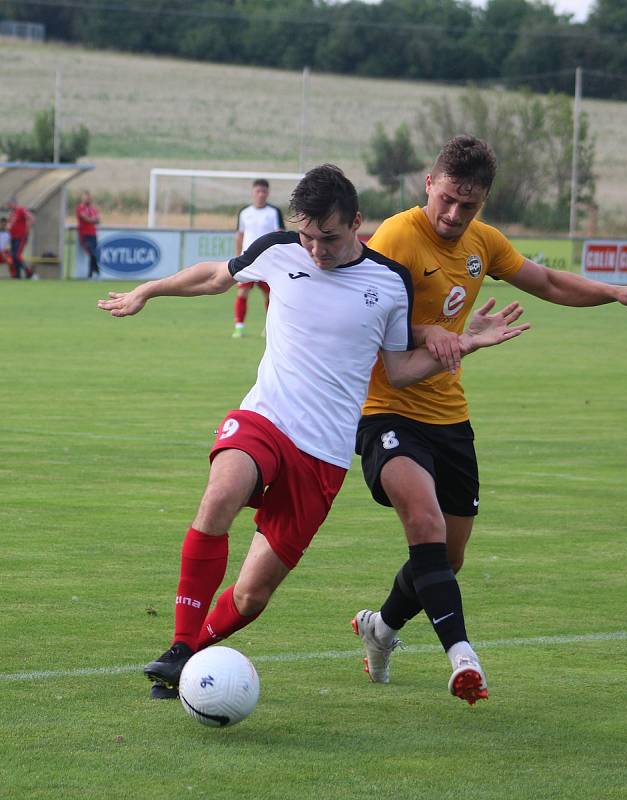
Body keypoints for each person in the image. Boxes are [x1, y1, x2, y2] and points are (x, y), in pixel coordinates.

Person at [96, 164, 530, 703]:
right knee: (220, 497)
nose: (315, 249)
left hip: (322, 456)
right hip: (265, 420)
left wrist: (459, 347)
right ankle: (182, 648)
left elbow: (398, 370)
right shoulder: (278, 249)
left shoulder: (389, 281)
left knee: (253, 595)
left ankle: (188, 663)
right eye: (306, 235)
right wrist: (149, 290)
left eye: (327, 237)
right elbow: (215, 276)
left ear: (356, 223)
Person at [351, 135, 627, 704]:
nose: (452, 215)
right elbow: (361, 316)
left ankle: (381, 629)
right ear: (429, 183)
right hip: (387, 409)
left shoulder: (484, 243)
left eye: (467, 206)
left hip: (449, 418)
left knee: (446, 558)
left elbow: (545, 282)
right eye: (446, 199)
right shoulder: (397, 238)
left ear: (483, 202)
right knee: (423, 525)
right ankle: (462, 656)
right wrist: (430, 332)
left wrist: (613, 291)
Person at [232, 178, 284, 338]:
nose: (261, 194)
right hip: (247, 261)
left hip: (269, 262)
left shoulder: (274, 212)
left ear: (267, 193)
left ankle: (269, 328)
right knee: (242, 294)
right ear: (253, 193)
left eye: (264, 192)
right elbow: (239, 235)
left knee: (271, 296)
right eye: (258, 191)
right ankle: (239, 327)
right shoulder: (245, 212)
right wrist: (238, 255)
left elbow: (280, 236)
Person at [7, 199, 35, 279]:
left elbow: (30, 217)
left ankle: (29, 272)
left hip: (20, 237)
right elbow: (11, 225)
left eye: (10, 204)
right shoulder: (12, 214)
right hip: (13, 237)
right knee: (13, 256)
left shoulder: (20, 209)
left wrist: (27, 229)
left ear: (14, 203)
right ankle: (17, 275)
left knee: (17, 255)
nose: (9, 206)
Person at [76, 191, 101, 279]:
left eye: (89, 198)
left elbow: (98, 219)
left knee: (93, 253)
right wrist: (93, 219)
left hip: (93, 234)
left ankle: (93, 274)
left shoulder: (93, 209)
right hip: (85, 235)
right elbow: (86, 219)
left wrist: (92, 219)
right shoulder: (80, 208)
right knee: (92, 253)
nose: (88, 200)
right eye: (86, 198)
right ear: (83, 199)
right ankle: (94, 273)